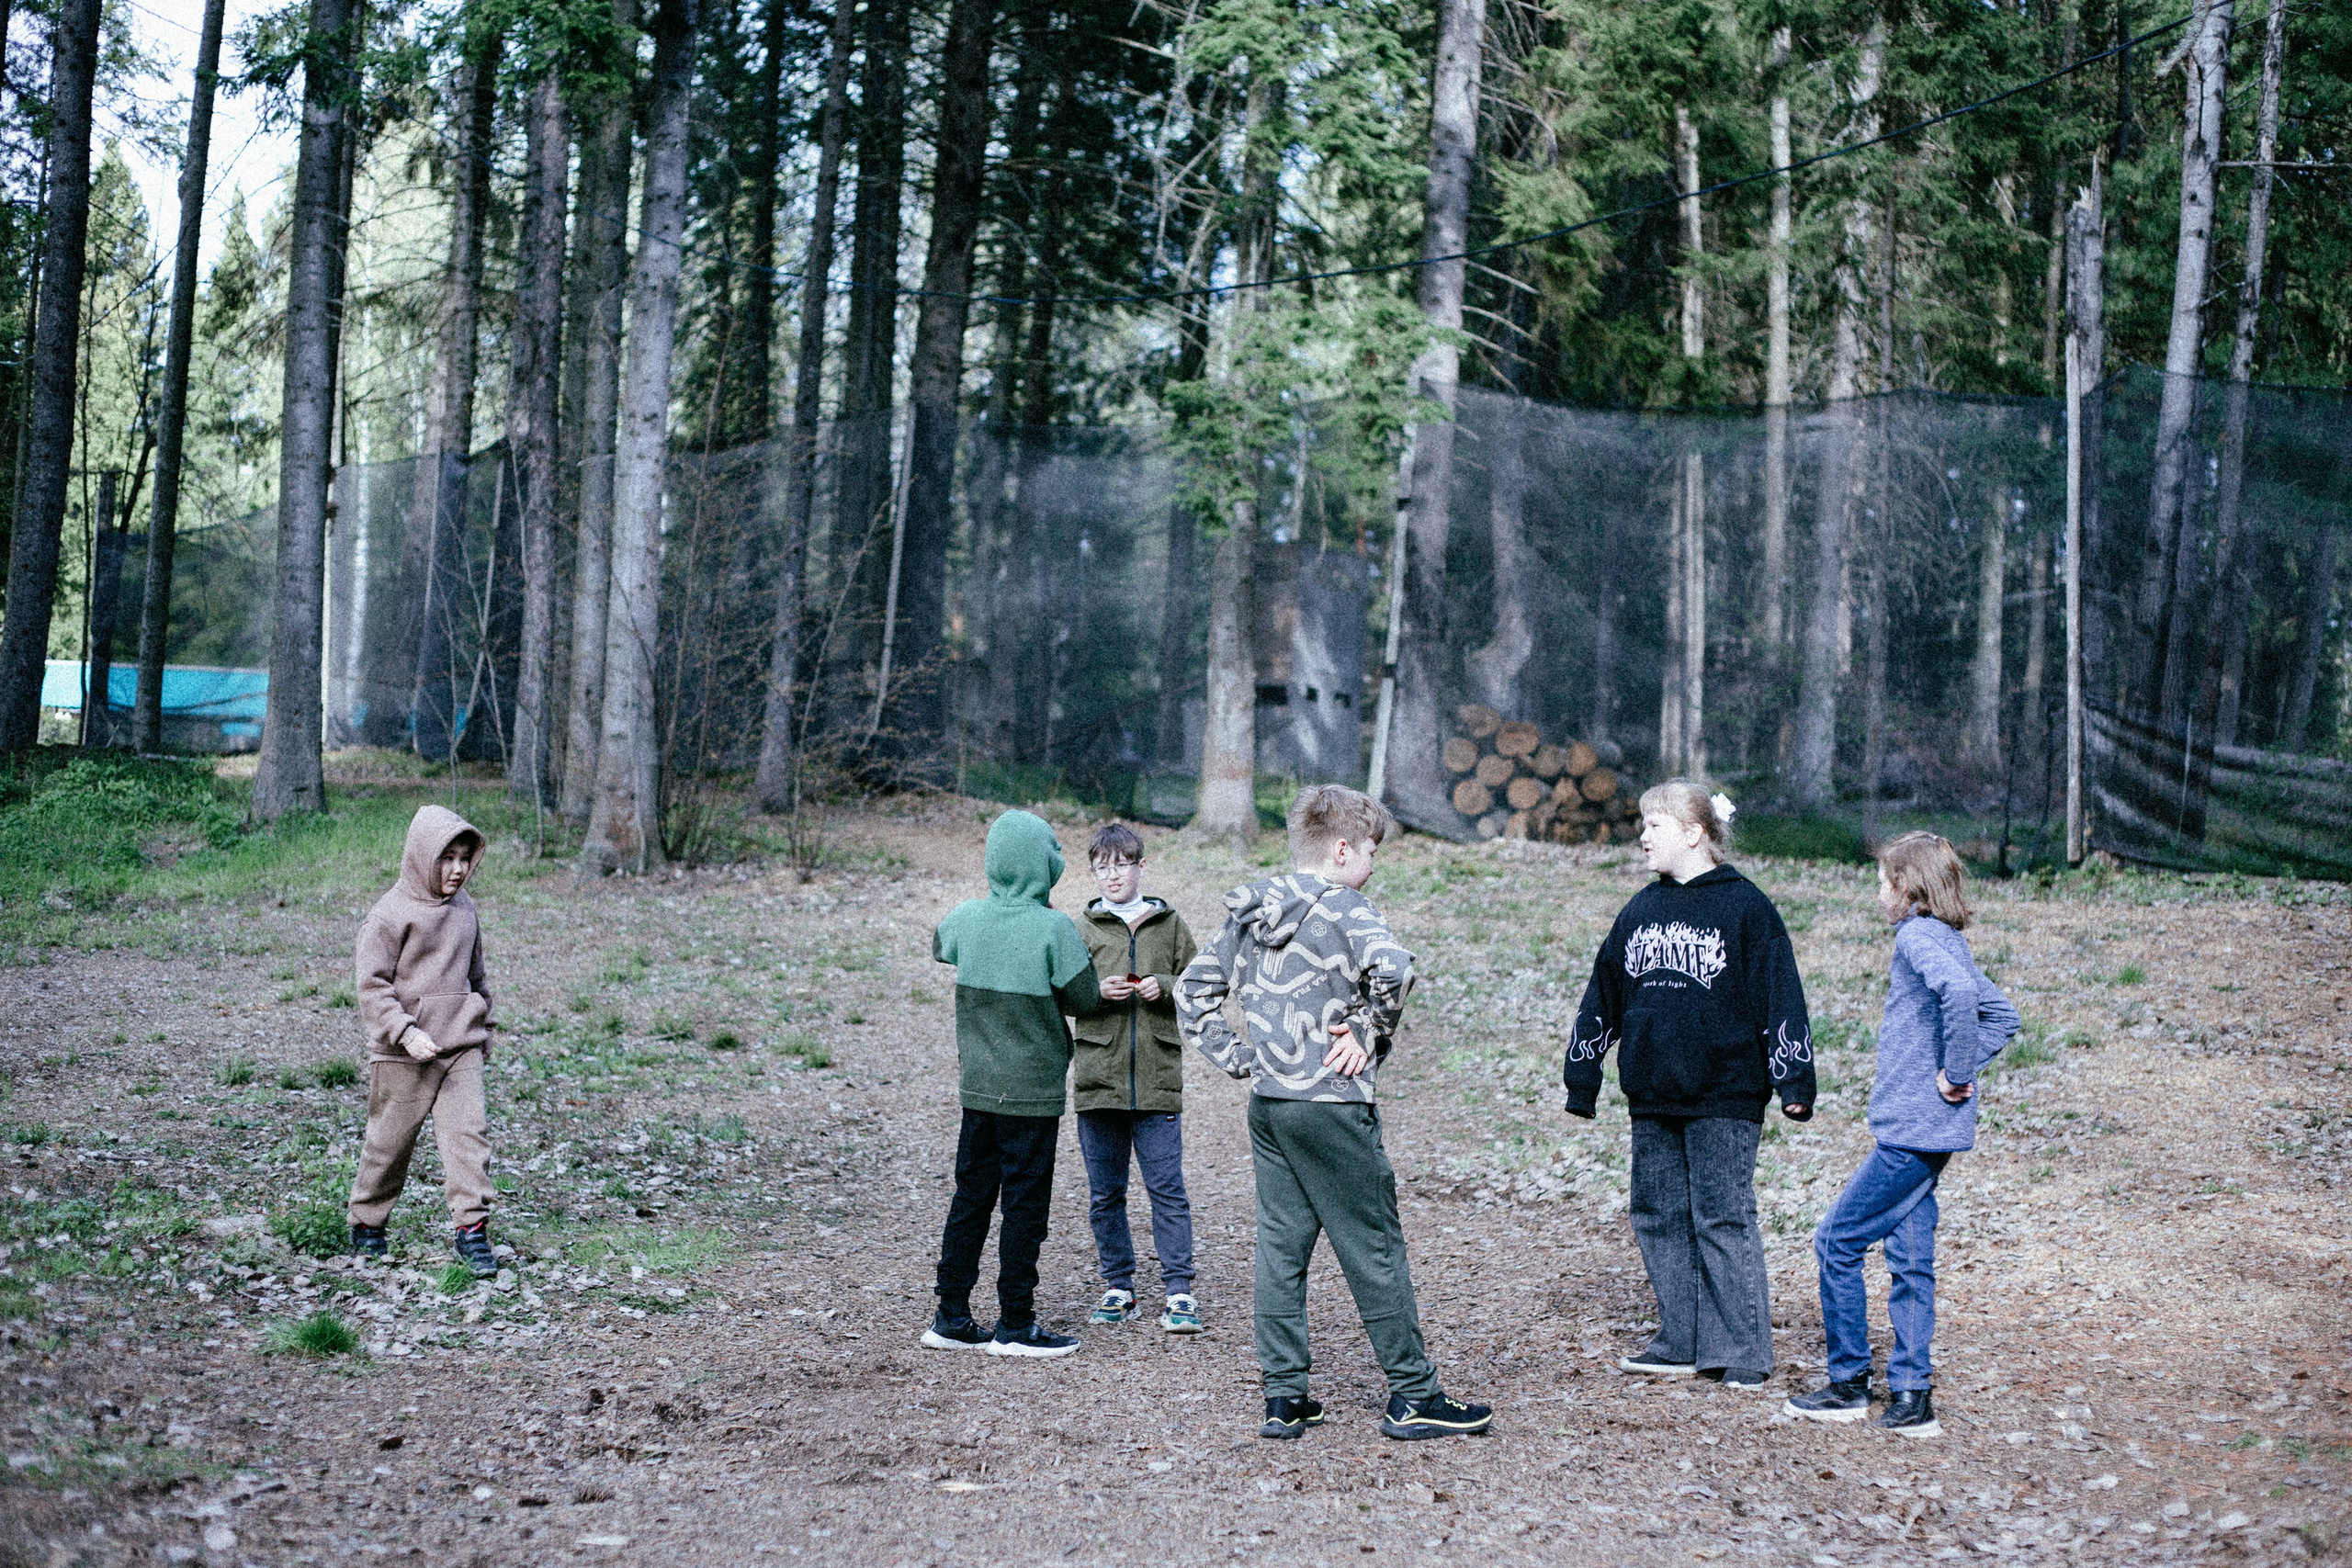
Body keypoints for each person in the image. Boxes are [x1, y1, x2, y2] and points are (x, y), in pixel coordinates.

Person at [1180, 784, 1492, 1441]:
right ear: (1342, 847)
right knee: (1373, 1244)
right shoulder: (1350, 907)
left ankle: (1285, 1397)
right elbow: (1397, 969)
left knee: (1279, 1249)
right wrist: (1367, 1028)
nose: (1375, 863)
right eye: (1372, 849)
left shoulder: (1252, 908)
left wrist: (1241, 1057)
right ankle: (1414, 1394)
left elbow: (1192, 991)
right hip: (1330, 1105)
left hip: (1271, 1106)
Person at [1563, 780, 1815, 1388]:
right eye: (1642, 824)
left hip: (1724, 1093)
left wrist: (1794, 1080)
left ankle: (1744, 1349)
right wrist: (1584, 1074)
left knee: (1722, 1217)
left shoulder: (1746, 907)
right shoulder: (1640, 910)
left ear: (1695, 833)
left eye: (1655, 824)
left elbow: (1780, 995)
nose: (1642, 835)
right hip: (1654, 1093)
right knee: (1657, 1212)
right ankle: (1683, 1337)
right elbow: (1605, 992)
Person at [1785, 831, 2018, 1437]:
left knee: (1836, 1240)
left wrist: (1957, 1071)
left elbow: (1967, 998)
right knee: (1911, 1258)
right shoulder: (1946, 938)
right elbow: (2004, 1015)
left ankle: (1849, 1383)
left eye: (1883, 880)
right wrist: (1955, 1071)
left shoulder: (1918, 936)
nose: (1877, 890)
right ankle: (1913, 1396)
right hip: (1931, 1133)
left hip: (1913, 1134)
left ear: (1907, 887)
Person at [923, 809, 1102, 1359]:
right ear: (1044, 865)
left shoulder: (965, 918)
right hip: (1031, 1095)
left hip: (978, 1090)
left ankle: (950, 1314)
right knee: (1025, 1205)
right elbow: (1086, 1000)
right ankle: (1015, 1324)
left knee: (971, 1198)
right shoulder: (1054, 929)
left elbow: (939, 944)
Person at [349, 804, 501, 1277]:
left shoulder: (465, 910)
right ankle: (367, 1224)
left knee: (468, 1139)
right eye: (446, 858)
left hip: (459, 1048)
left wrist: (484, 1029)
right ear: (422, 856)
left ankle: (471, 1232)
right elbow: (372, 987)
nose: (457, 870)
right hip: (404, 1054)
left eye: (464, 858)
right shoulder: (389, 915)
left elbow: (476, 977)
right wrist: (405, 1032)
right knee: (388, 1144)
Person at [1071, 822, 1204, 1334]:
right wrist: (1094, 992)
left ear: (1140, 866)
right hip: (1098, 1078)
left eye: (1121, 865)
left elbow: (1200, 983)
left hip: (1156, 1078)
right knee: (1106, 1193)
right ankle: (1118, 1285)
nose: (1112, 876)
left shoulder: (1169, 925)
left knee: (1167, 1189)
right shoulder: (1081, 926)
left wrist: (1165, 986)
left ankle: (1179, 1292)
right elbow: (1064, 992)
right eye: (1102, 868)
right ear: (1093, 873)